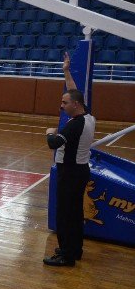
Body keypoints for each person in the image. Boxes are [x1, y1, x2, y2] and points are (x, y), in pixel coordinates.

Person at [43, 53, 96, 267]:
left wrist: (49, 132)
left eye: (64, 103)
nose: (61, 106)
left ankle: (66, 255)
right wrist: (66, 71)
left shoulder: (75, 125)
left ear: (75, 104)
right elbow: (74, 92)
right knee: (74, 213)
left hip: (70, 173)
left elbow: (53, 144)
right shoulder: (88, 116)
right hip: (80, 171)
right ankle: (74, 249)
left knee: (65, 214)